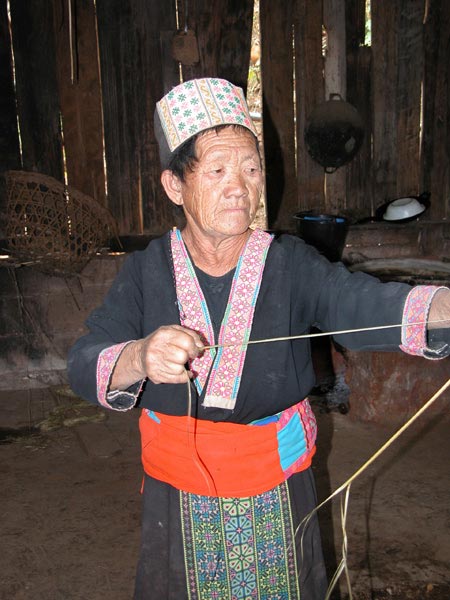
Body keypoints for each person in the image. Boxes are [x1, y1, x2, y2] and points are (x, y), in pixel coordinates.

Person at [67, 77, 450, 600]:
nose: (240, 187)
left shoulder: (290, 262)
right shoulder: (146, 271)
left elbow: (355, 300)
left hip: (276, 488)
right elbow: (83, 360)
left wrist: (439, 306)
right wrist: (138, 355)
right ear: (174, 186)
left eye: (251, 169)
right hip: (176, 500)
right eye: (218, 170)